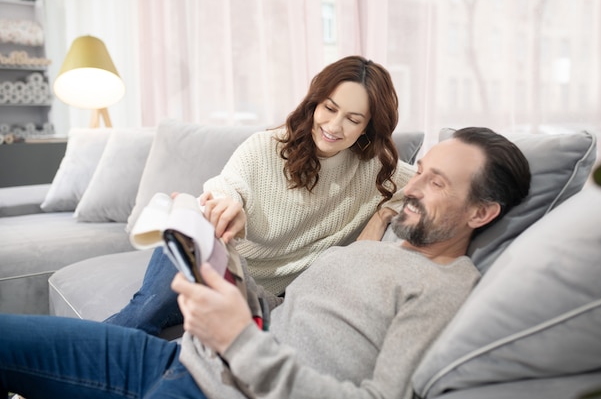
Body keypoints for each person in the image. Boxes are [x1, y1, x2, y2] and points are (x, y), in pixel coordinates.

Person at [0, 127, 531, 399]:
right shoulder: (380, 247)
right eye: (421, 171)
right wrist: (222, 273)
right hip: (179, 361)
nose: (411, 188)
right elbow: (286, 317)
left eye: (436, 183)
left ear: (482, 212)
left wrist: (238, 341)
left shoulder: (447, 291)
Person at [103, 55, 417, 336]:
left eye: (353, 119)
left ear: (368, 127)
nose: (334, 126)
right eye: (330, 108)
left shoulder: (380, 173)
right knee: (143, 313)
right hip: (214, 263)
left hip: (255, 297)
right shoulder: (267, 146)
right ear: (315, 104)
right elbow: (227, 187)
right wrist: (229, 207)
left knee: (149, 321)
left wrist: (380, 215)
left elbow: (427, 183)